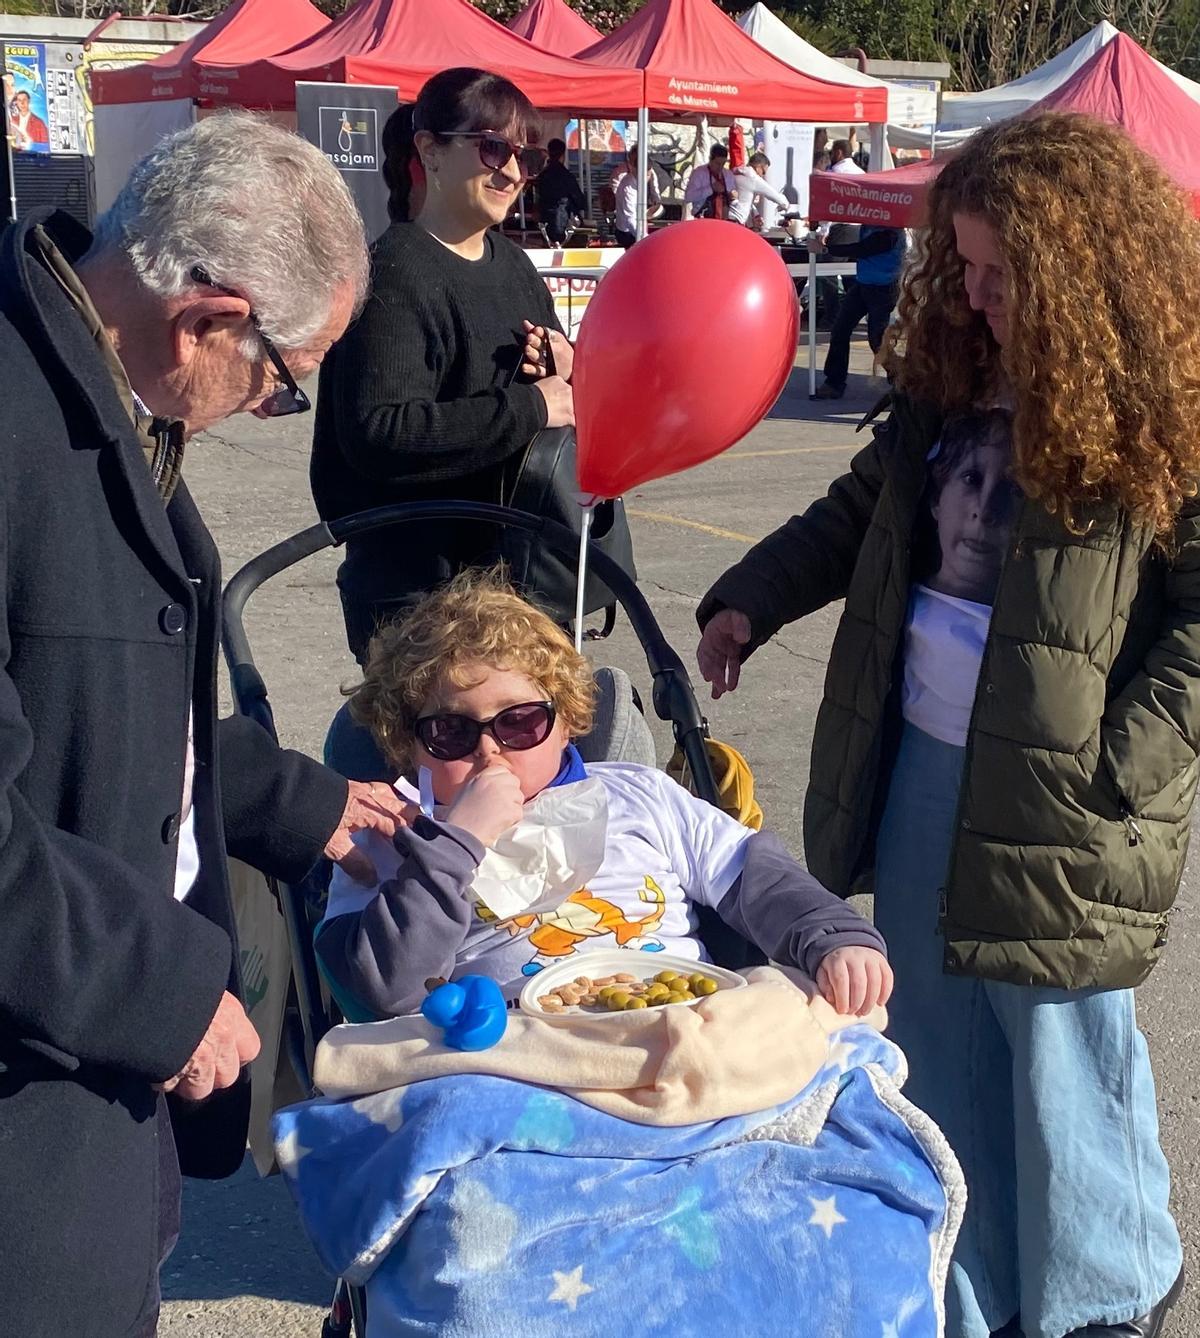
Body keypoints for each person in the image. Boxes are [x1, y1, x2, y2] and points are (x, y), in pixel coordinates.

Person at [695, 111, 1199, 1338]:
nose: (973, 299)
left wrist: (1118, 764)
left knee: (1061, 1044)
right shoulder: (950, 388)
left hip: (1067, 787)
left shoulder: (1163, 418)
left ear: (1082, 271)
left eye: (1000, 275)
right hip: (923, 759)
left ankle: (1103, 1291)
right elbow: (854, 515)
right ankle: (974, 1286)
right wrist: (746, 597)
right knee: (933, 1027)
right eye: (963, 268)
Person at [0, 112, 414, 1337]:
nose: (266, 409)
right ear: (209, 321)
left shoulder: (95, 378)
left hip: (88, 1105)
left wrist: (303, 800)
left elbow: (111, 707)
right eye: (282, 384)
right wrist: (163, 995)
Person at [314, 570, 893, 1021]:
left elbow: (754, 873)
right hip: (512, 1061)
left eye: (519, 724)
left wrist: (831, 937)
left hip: (683, 1024)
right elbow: (383, 994)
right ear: (409, 746)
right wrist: (457, 843)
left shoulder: (637, 795)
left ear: (566, 721)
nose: (491, 753)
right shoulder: (382, 837)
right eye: (450, 732)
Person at [310, 68, 574, 666]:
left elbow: (561, 399)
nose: (511, 171)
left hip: (516, 585)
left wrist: (570, 365)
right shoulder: (395, 273)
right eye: (492, 147)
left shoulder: (513, 265)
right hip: (419, 602)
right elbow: (378, 433)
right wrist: (534, 406)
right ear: (429, 149)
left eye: (525, 157)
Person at [808, 224, 906, 399]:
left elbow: (864, 249)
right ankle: (834, 382)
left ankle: (902, 382)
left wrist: (825, 249)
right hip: (863, 284)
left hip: (885, 288)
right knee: (840, 330)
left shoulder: (892, 232)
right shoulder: (868, 224)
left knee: (877, 338)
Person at [535, 137, 587, 246]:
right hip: (564, 225)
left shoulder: (542, 175)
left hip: (544, 224)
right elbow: (579, 200)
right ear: (563, 155)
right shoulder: (566, 176)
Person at [611, 144, 662, 248]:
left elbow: (654, 189)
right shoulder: (627, 187)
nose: (648, 178)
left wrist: (656, 202)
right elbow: (630, 219)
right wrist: (646, 239)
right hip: (627, 232)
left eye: (649, 174)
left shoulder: (648, 172)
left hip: (639, 225)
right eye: (646, 175)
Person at [728, 151, 791, 227]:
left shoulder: (736, 173)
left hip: (727, 216)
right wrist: (786, 205)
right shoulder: (752, 177)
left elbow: (745, 199)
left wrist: (756, 213)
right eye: (763, 172)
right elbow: (771, 193)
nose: (762, 175)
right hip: (737, 221)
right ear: (758, 167)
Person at [684, 143, 734, 219]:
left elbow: (732, 197)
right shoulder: (699, 173)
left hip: (725, 219)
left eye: (723, 164)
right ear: (710, 159)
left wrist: (733, 196)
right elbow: (689, 197)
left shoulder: (728, 175)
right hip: (703, 218)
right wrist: (711, 188)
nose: (720, 167)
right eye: (717, 163)